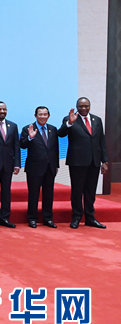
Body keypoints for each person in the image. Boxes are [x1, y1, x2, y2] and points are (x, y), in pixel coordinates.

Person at [57, 97, 108, 229]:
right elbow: (60, 134)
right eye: (81, 106)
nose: (83, 108)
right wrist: (69, 123)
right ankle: (76, 217)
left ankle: (90, 217)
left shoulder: (97, 120)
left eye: (86, 106)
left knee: (90, 191)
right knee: (77, 191)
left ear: (89, 106)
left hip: (94, 161)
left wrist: (104, 160)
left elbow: (101, 141)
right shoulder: (70, 119)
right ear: (77, 107)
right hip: (77, 162)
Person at [20, 107, 59, 228]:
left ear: (48, 116)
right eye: (40, 114)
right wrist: (30, 137)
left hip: (50, 167)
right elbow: (22, 145)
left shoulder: (53, 129)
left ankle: (48, 219)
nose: (42, 116)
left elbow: (55, 148)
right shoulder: (28, 128)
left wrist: (56, 165)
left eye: (45, 114)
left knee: (49, 194)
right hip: (34, 168)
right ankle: (32, 218)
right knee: (33, 194)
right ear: (35, 115)